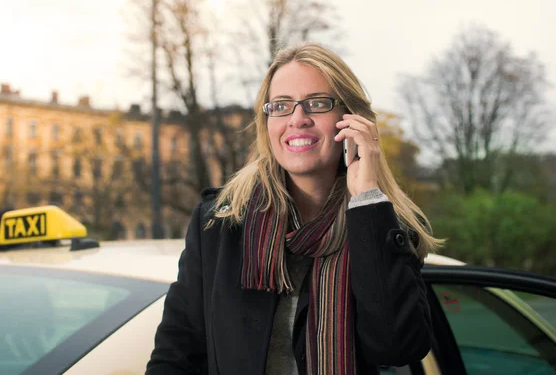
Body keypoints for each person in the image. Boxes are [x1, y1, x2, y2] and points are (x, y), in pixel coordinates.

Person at [146, 42, 443, 375]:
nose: (297, 119)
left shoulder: (386, 223)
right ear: (268, 121)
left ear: (350, 120)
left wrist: (366, 201)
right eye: (282, 106)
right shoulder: (221, 221)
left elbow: (397, 346)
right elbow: (177, 352)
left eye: (316, 104)